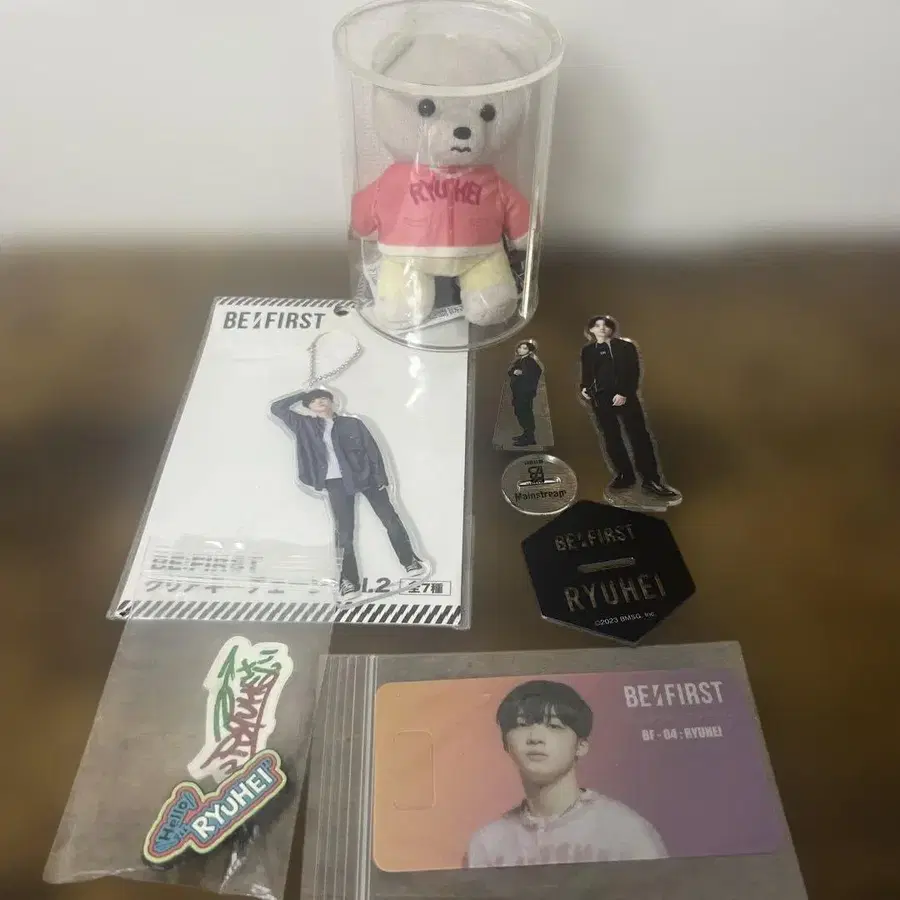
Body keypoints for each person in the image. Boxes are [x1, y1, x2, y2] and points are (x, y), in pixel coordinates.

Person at [466, 680, 668, 868]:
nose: (535, 738)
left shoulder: (626, 833)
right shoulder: (488, 844)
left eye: (554, 726)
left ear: (581, 746)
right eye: (522, 724)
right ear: (505, 744)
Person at [269, 387, 427, 600]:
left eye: (323, 397)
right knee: (344, 532)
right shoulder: (304, 425)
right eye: (314, 401)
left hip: (366, 477)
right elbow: (277, 408)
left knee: (390, 519)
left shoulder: (352, 423)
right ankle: (348, 581)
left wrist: (381, 478)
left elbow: (372, 450)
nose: (320, 401)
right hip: (335, 483)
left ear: (332, 401)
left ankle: (410, 561)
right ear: (308, 407)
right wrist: (304, 393)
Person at [579, 316, 680, 503]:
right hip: (600, 399)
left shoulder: (626, 347)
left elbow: (634, 371)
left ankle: (651, 481)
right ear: (591, 330)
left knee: (639, 437)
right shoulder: (588, 350)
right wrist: (584, 388)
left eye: (606, 325)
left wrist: (624, 392)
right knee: (611, 437)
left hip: (625, 397)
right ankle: (625, 476)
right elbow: (587, 373)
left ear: (612, 328)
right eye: (597, 326)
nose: (602, 328)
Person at [508, 341, 542, 446]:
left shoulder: (530, 361)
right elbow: (510, 371)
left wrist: (522, 374)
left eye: (524, 348)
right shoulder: (520, 360)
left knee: (525, 414)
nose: (520, 350)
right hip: (519, 392)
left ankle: (529, 438)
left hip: (525, 393)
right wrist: (514, 372)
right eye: (520, 347)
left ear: (530, 351)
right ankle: (526, 434)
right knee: (520, 412)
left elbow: (536, 372)